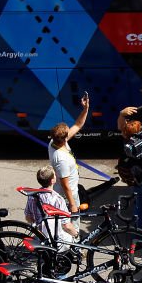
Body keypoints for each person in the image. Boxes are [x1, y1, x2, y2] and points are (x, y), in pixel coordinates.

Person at [48, 92, 90, 222]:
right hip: (68, 195)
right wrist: (72, 204)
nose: (70, 128)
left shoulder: (54, 143)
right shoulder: (62, 159)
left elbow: (78, 125)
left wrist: (85, 109)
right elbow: (65, 184)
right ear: (65, 138)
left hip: (69, 191)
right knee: (73, 224)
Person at [23, 165, 79, 244]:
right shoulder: (58, 199)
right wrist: (76, 235)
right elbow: (67, 226)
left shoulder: (32, 196)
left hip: (40, 237)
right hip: (55, 238)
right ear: (53, 180)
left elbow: (28, 217)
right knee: (73, 242)